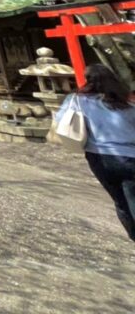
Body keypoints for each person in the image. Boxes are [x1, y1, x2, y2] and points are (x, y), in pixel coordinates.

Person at [56, 64, 135, 242]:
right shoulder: (128, 99)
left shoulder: (77, 100)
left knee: (119, 200)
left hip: (99, 156)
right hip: (130, 154)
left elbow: (61, 120)